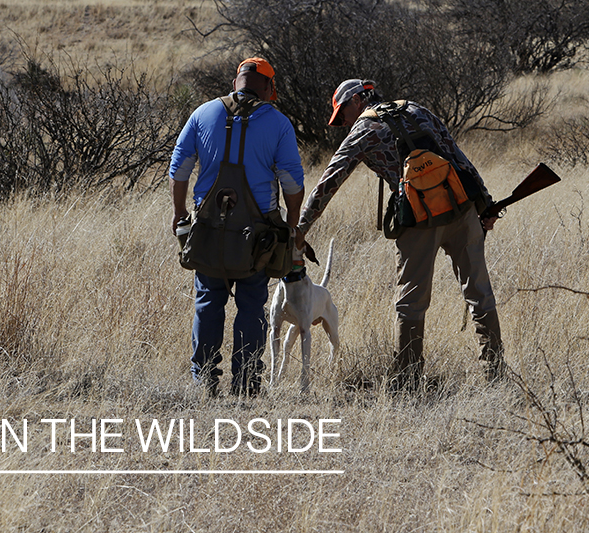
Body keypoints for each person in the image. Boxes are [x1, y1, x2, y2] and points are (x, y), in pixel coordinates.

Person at [297, 79, 503, 387]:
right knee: (480, 294)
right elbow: (456, 154)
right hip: (461, 210)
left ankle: (408, 379)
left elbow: (327, 184)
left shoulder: (362, 132)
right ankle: (495, 372)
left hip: (418, 221)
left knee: (410, 303)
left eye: (343, 115)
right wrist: (484, 203)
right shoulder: (416, 109)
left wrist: (299, 231)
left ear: (357, 101)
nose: (344, 122)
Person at [169, 58, 305, 396]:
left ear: (236, 82)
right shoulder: (279, 123)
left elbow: (180, 167)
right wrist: (292, 223)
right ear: (268, 87)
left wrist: (179, 212)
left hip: (207, 232)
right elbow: (292, 181)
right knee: (252, 304)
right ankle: (246, 383)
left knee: (208, 302)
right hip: (257, 238)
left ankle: (204, 381)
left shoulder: (203, 114)